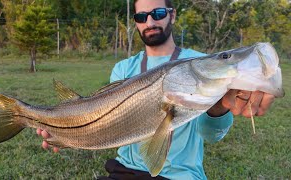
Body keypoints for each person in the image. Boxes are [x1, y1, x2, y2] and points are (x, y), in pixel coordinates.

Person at [37, 0, 276, 179]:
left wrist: (220, 107)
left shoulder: (200, 63)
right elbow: (110, 127)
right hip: (125, 171)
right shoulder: (123, 68)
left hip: (181, 175)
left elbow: (211, 136)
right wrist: (69, 134)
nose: (149, 22)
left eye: (157, 13)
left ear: (172, 15)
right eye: (141, 17)